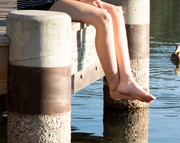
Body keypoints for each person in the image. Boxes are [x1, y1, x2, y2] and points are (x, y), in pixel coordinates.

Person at [17, 0, 156, 103]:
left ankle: (127, 79)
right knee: (103, 18)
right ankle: (114, 86)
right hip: (39, 3)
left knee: (116, 12)